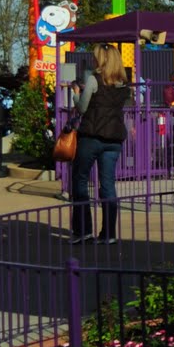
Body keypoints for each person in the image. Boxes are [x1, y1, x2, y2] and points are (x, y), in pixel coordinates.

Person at [72, 42, 131, 244]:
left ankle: (83, 230)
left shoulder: (93, 80)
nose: (93, 59)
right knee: (107, 184)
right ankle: (108, 233)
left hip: (92, 135)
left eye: (95, 56)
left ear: (101, 59)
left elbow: (82, 108)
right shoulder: (124, 83)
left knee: (80, 181)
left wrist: (75, 95)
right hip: (114, 138)